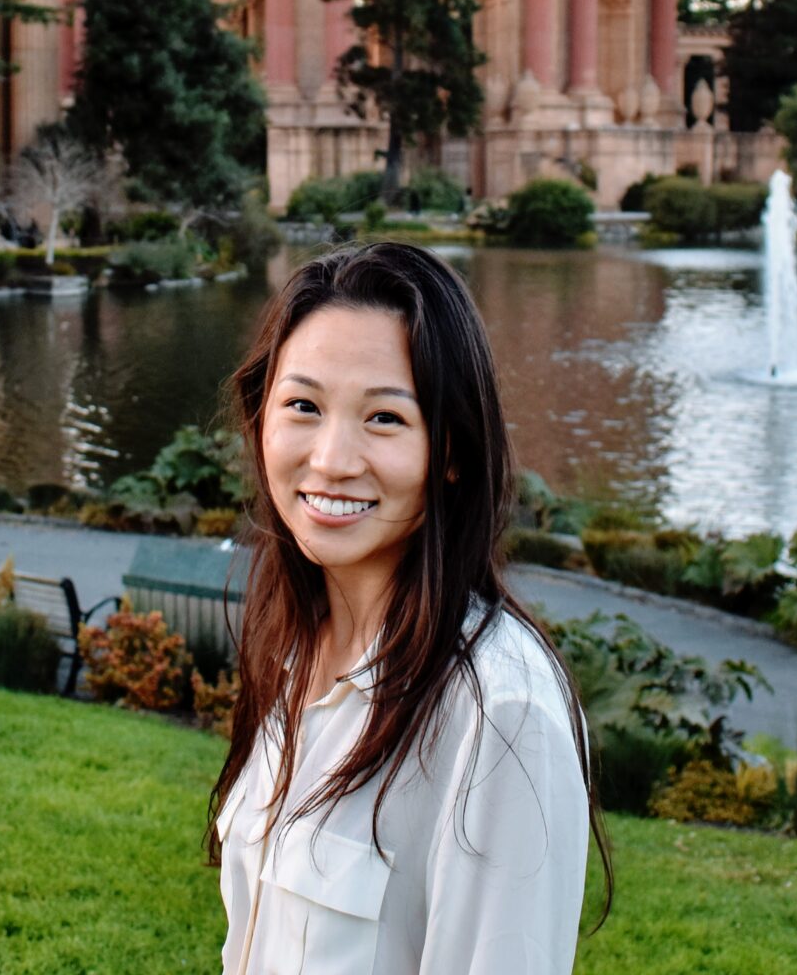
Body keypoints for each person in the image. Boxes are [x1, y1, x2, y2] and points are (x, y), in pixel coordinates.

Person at [209, 242, 611, 974]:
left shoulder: (499, 717)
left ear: (451, 449)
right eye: (303, 405)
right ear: (262, 415)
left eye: (385, 419)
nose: (331, 459)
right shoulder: (301, 651)